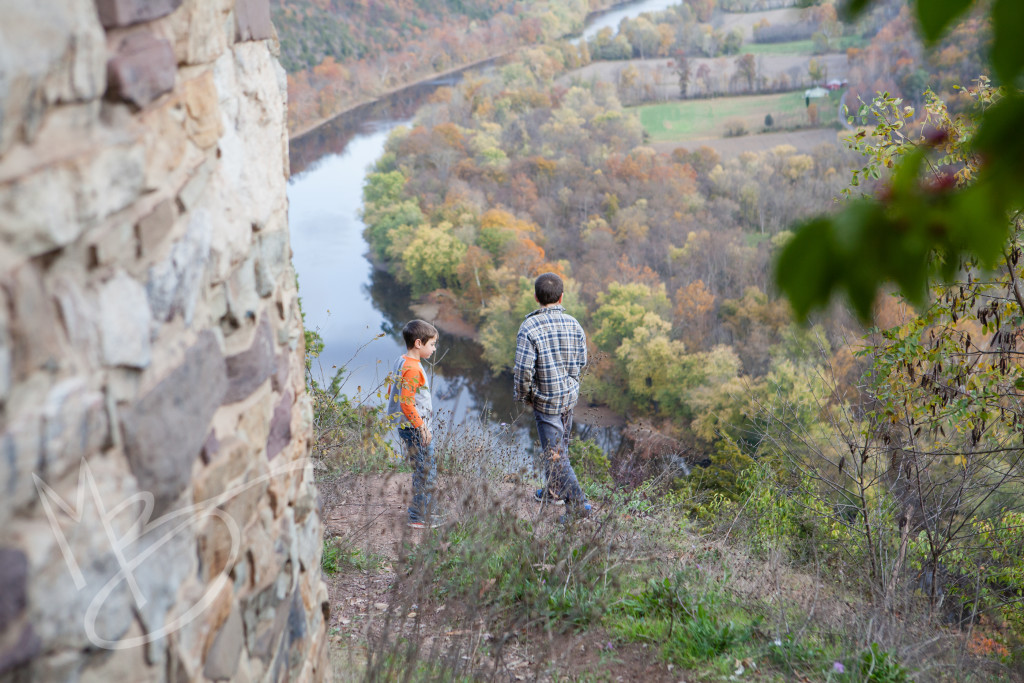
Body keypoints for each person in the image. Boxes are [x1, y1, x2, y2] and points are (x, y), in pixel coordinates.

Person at [514, 273, 591, 519]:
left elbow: (523, 370)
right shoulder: (574, 324)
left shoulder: (529, 327)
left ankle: (578, 505)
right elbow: (581, 362)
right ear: (561, 297)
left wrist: (524, 396)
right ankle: (554, 491)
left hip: (546, 401)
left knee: (556, 454)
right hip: (568, 397)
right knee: (559, 448)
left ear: (536, 297)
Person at [386, 319, 443, 529]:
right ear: (418, 343)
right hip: (415, 427)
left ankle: (423, 510)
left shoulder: (401, 361)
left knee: (421, 468)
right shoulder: (412, 368)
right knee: (426, 470)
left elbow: (393, 391)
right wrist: (422, 427)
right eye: (432, 344)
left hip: (406, 426)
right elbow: (407, 403)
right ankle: (421, 516)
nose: (434, 349)